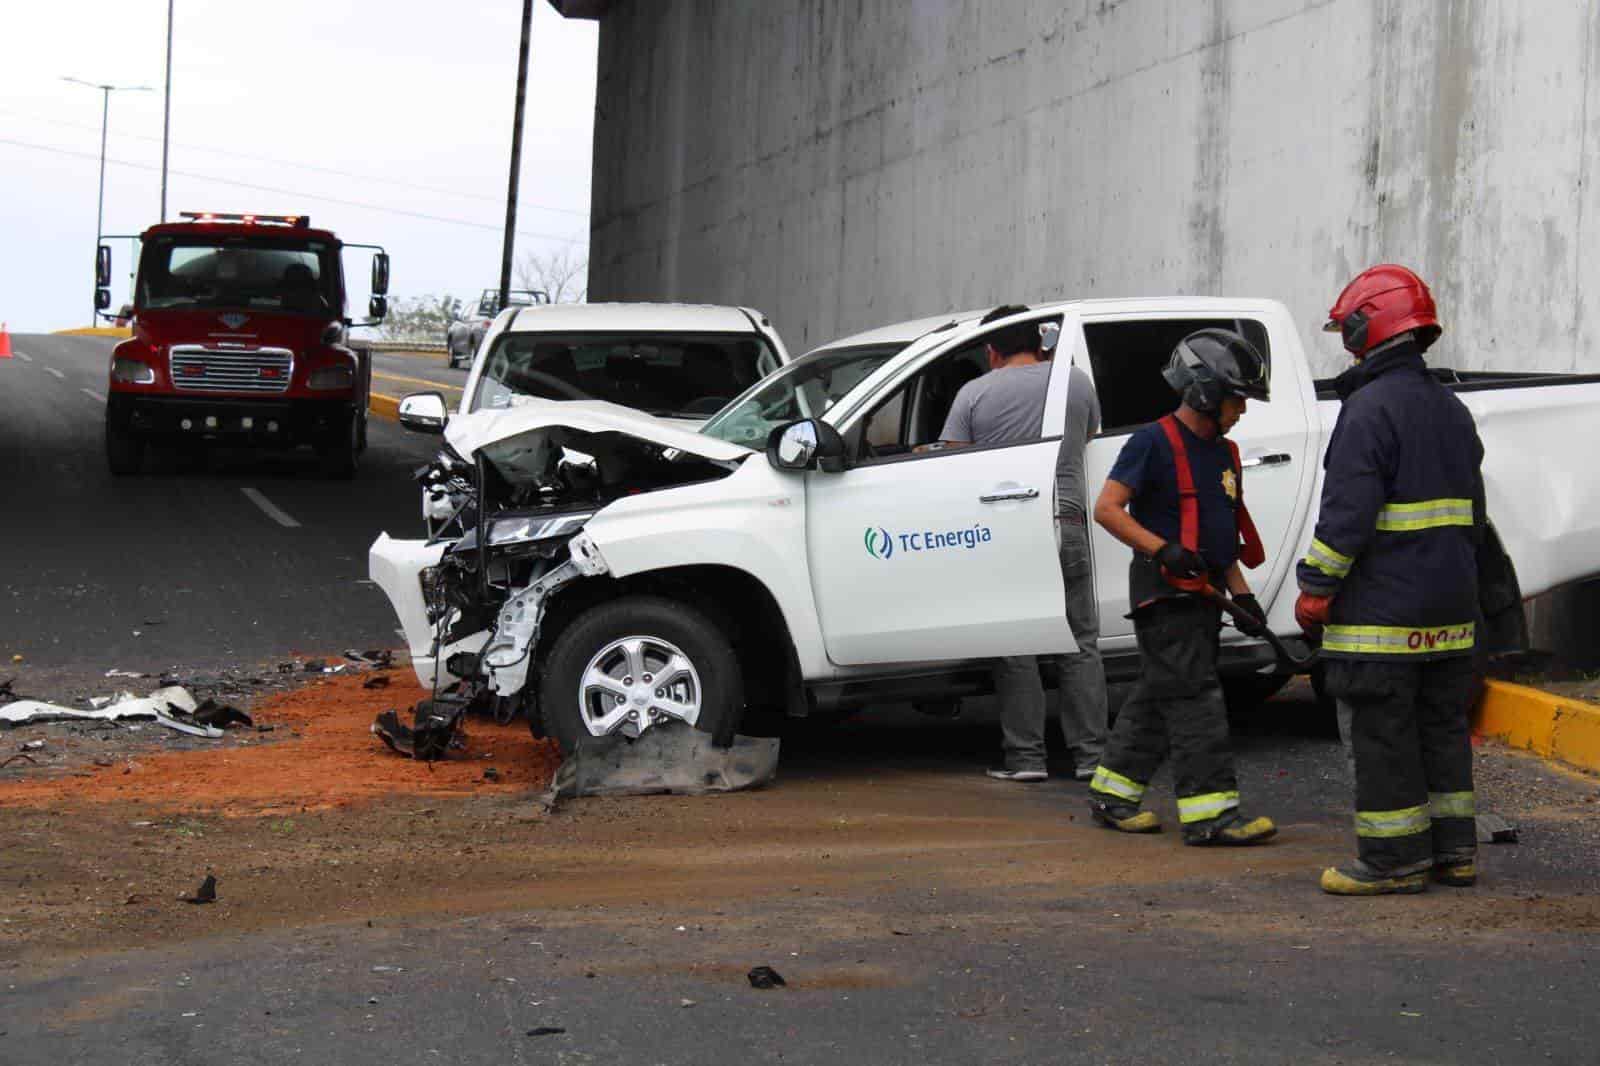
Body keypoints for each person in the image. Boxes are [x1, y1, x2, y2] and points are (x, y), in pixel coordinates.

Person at [1297, 265, 1485, 896]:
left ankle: (1392, 861)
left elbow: (1347, 514)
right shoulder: (1451, 410)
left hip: (1382, 616)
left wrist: (1315, 586)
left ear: (1364, 325)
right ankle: (1453, 853)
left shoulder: (1368, 408)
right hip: (1451, 612)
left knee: (1384, 735)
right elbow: (1473, 518)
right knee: (1441, 731)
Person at [1086, 329, 1277, 845]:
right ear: (1205, 392)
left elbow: (1223, 539)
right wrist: (1161, 548)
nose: (1242, 411)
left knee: (1160, 692)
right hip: (1165, 592)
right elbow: (1106, 508)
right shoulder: (1151, 442)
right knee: (1196, 699)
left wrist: (1243, 596)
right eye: (1238, 399)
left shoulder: (1224, 452)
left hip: (1205, 592)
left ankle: (1112, 795)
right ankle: (1211, 817)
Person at [935, 305, 1108, 782]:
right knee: (1081, 643)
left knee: (1016, 645)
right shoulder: (1074, 382)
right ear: (1041, 341)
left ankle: (1026, 760)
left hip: (1009, 530)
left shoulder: (973, 393)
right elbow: (1090, 434)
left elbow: (950, 463)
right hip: (1067, 518)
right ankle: (1092, 759)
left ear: (992, 350)